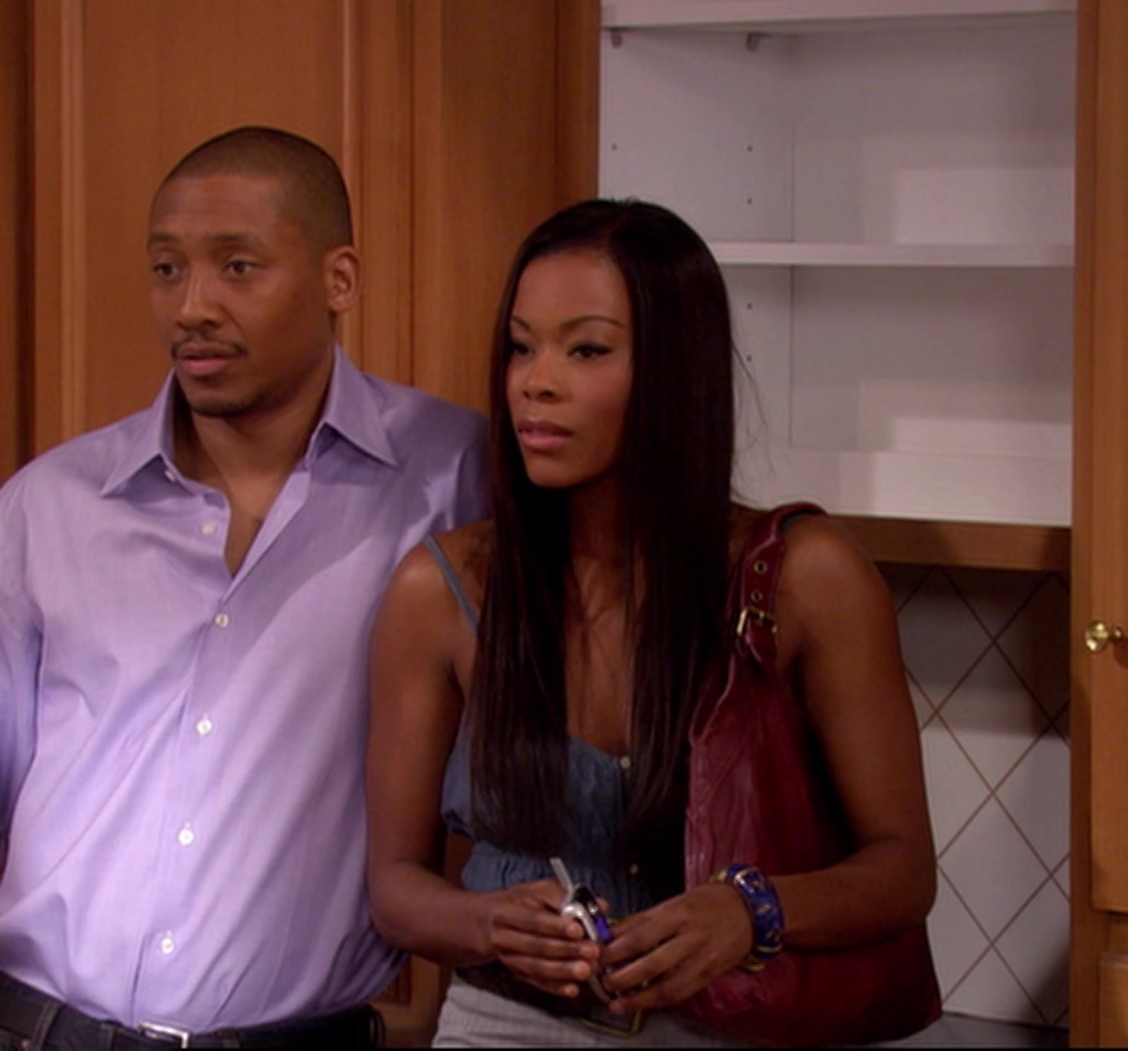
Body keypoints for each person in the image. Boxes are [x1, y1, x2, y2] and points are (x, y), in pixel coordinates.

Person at [0, 125, 489, 1050]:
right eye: (166, 270)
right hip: (36, 1030)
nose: (192, 307)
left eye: (237, 267)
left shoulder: (449, 477)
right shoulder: (51, 507)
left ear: (339, 279)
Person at [364, 198, 937, 1046]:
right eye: (521, 347)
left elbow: (901, 871)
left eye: (586, 349)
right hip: (505, 1027)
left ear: (676, 371)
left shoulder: (803, 577)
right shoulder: (441, 589)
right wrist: (486, 923)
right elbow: (395, 886)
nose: (535, 381)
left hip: (734, 1030)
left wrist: (749, 909)